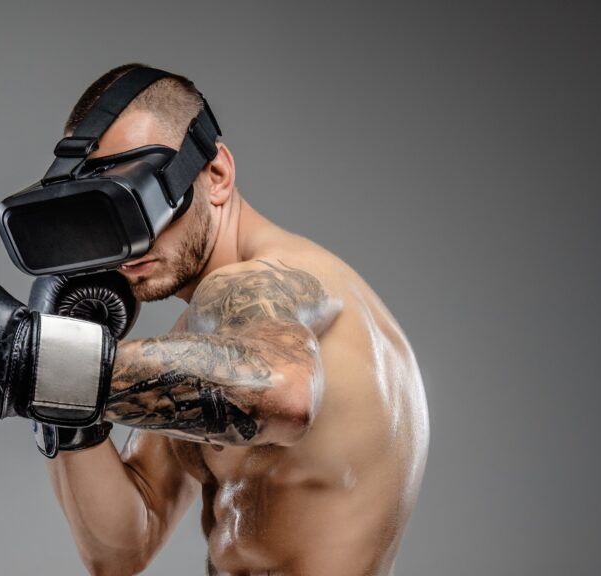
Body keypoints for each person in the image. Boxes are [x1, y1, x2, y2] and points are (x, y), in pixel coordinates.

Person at [40, 64, 431, 576]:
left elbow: (281, 393)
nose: (128, 241)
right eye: (103, 213)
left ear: (216, 176)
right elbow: (122, 548)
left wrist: (42, 362)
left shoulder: (268, 284)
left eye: (140, 200)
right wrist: (56, 401)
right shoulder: (200, 345)